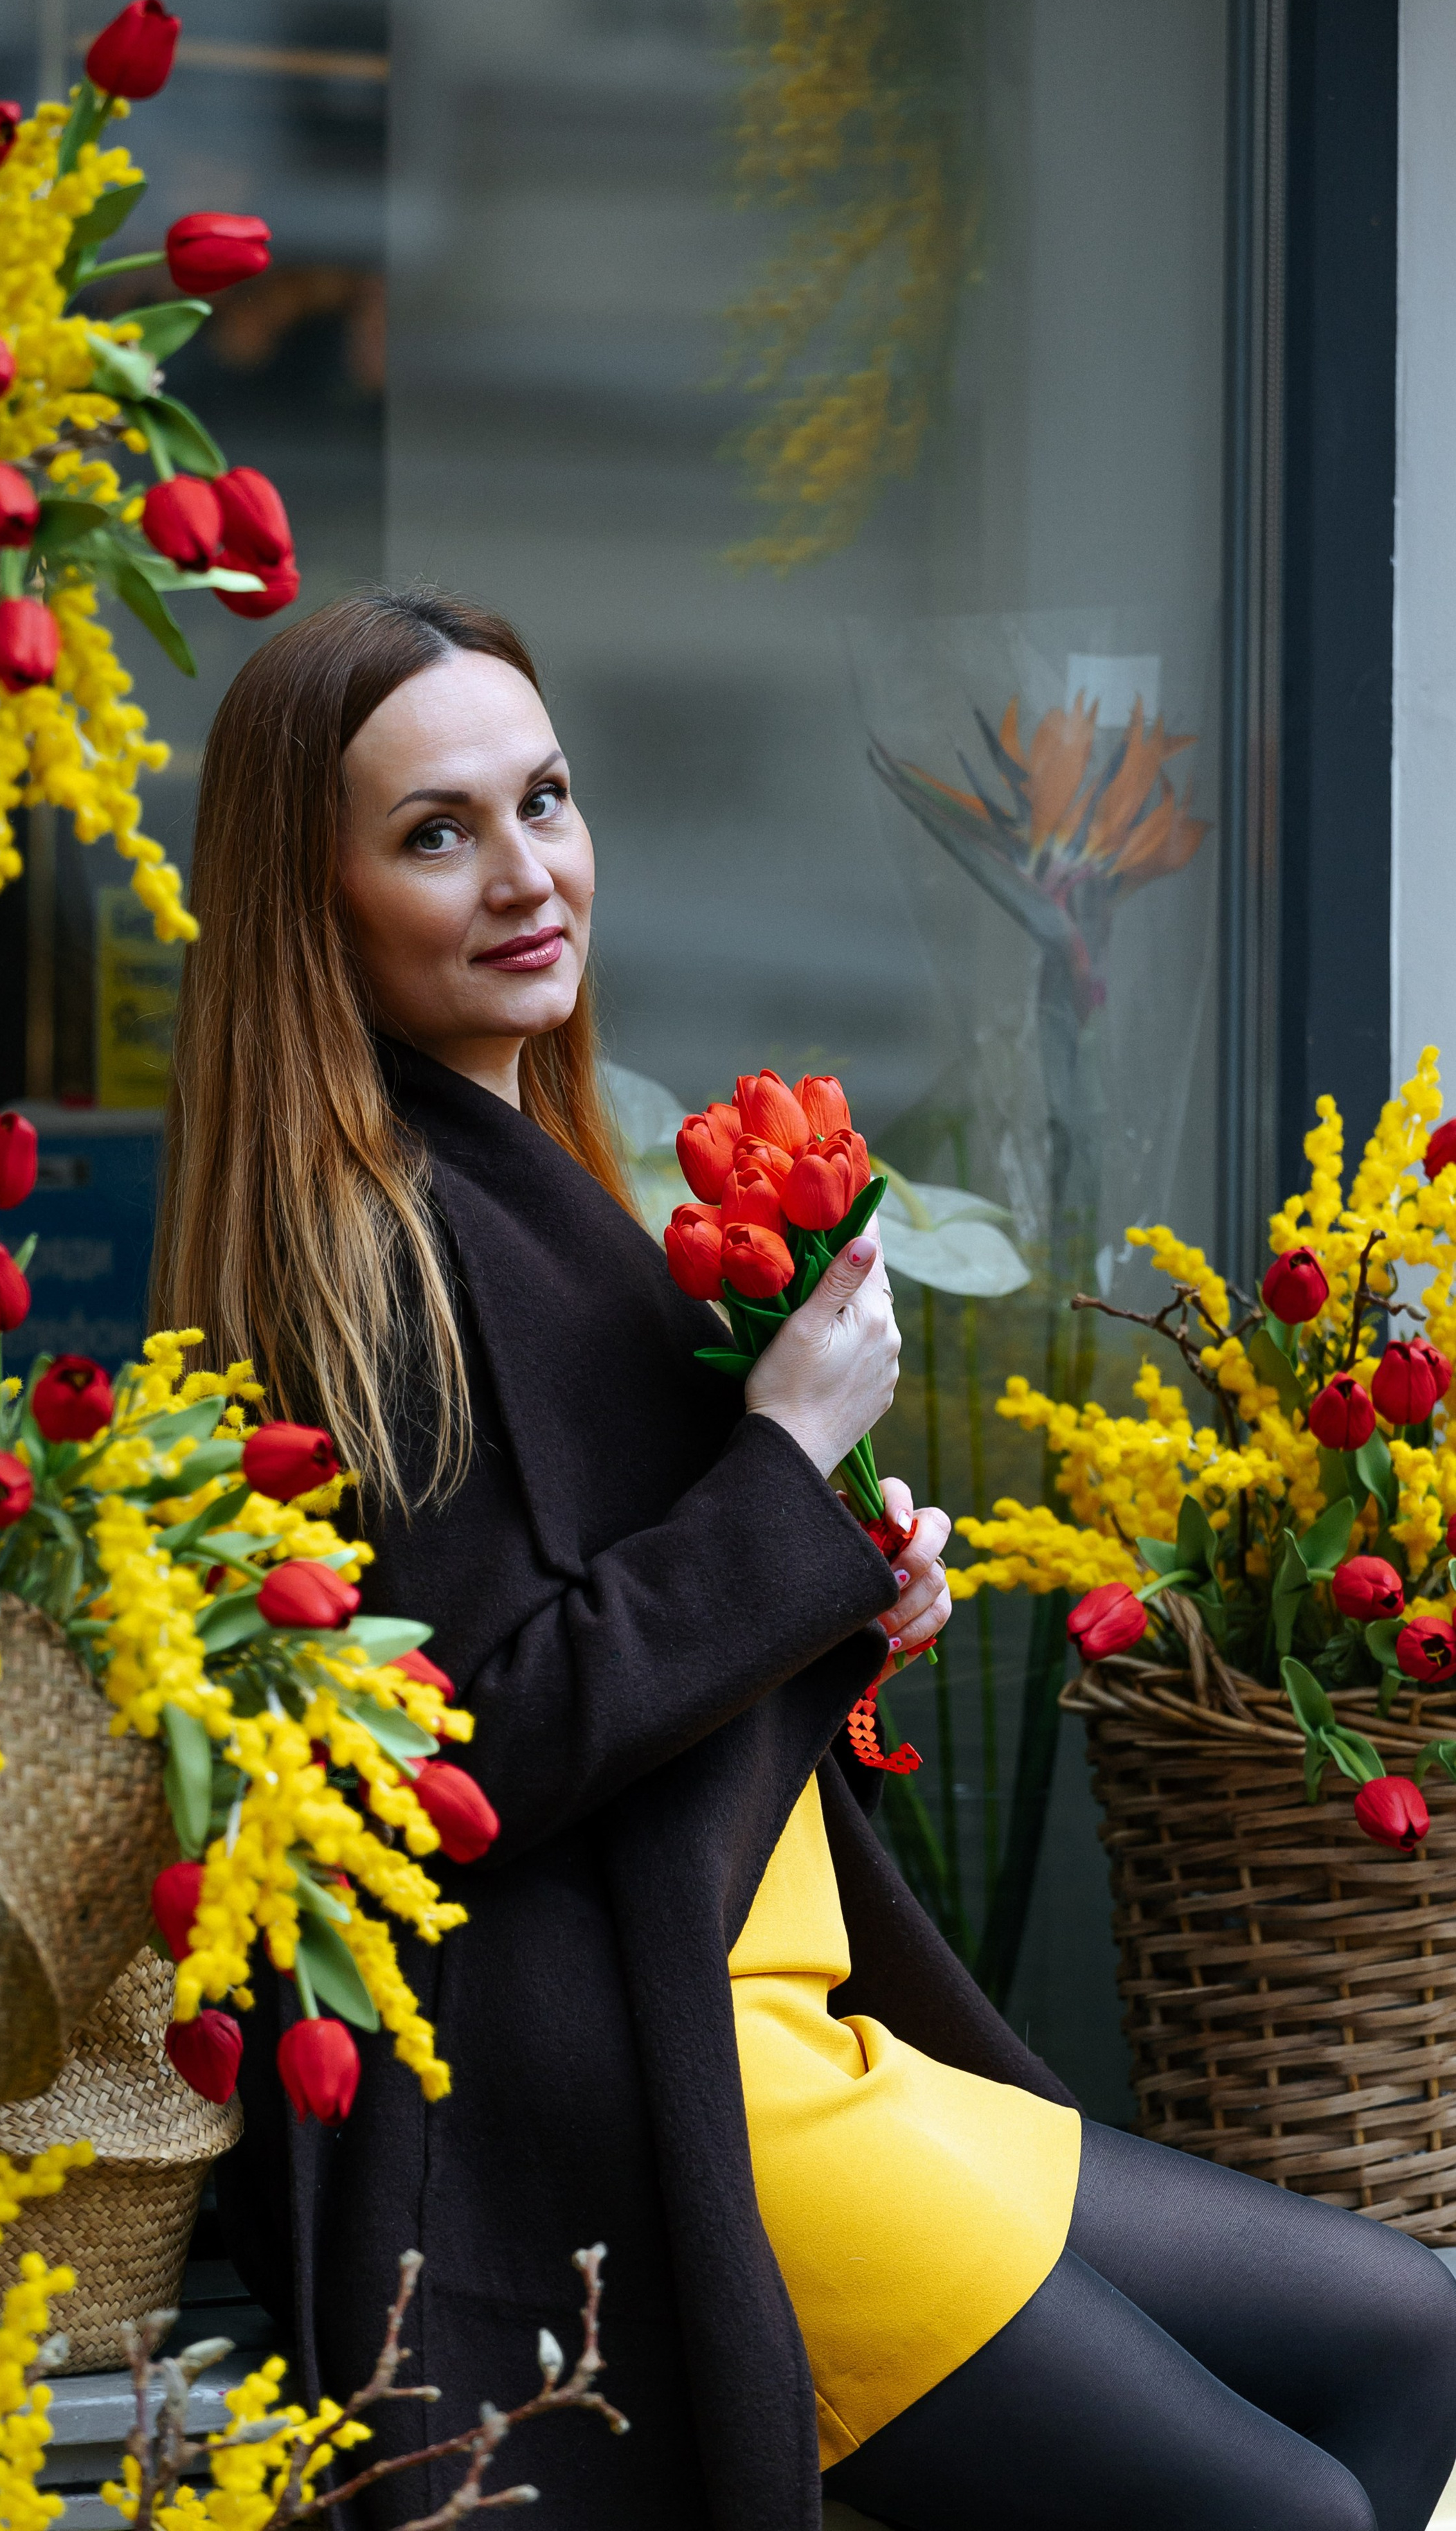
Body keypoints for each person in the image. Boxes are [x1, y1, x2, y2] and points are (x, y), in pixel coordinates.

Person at [159, 587, 1456, 2531]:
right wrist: (781, 1469)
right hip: (693, 2093)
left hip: (786, 2015)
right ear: (312, 901)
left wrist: (841, 1601)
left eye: (549, 800)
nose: (528, 874)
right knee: (1288, 2509)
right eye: (438, 833)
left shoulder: (538, 1182)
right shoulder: (374, 1265)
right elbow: (464, 1753)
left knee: (1404, 2330)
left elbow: (617, 1637)